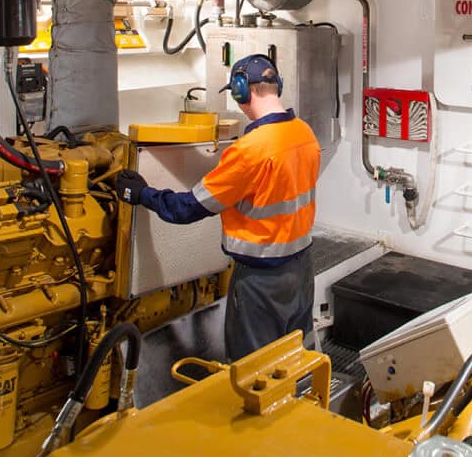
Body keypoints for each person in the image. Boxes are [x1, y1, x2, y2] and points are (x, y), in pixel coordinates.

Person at [115, 54, 320, 361]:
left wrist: (143, 194)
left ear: (241, 91)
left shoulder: (249, 151)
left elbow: (187, 209)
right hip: (301, 269)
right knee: (296, 359)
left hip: (259, 281)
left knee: (255, 373)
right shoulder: (304, 133)